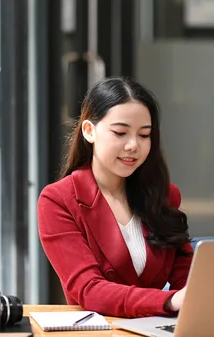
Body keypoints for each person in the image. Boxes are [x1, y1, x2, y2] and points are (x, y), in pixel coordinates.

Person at [37, 76, 193, 318]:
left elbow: (184, 274)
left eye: (144, 135)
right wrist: (169, 301)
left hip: (154, 330)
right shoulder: (58, 200)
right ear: (89, 131)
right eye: (120, 133)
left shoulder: (163, 194)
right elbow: (89, 290)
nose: (133, 145)